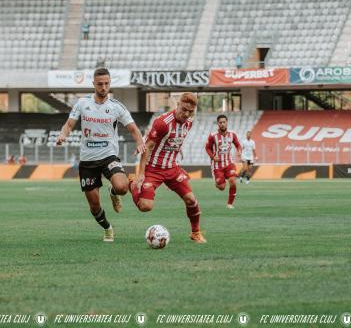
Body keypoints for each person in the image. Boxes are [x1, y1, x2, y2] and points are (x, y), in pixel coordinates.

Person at [56, 67, 146, 242]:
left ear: (110, 83)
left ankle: (113, 192)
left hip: (109, 156)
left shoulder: (116, 107)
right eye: (100, 84)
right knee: (94, 205)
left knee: (122, 187)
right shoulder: (82, 103)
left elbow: (134, 129)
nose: (103, 87)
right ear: (93, 85)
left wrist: (140, 143)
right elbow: (68, 124)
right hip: (88, 160)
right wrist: (62, 135)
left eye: (106, 83)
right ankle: (107, 228)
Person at [129, 92, 206, 243]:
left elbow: (176, 139)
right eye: (183, 109)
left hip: (172, 169)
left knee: (191, 199)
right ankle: (133, 186)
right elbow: (148, 147)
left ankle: (195, 233)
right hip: (153, 169)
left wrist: (178, 149)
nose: (186, 114)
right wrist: (141, 174)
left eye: (190, 111)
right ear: (177, 105)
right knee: (145, 206)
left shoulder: (189, 122)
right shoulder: (163, 123)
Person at [205, 115, 242, 209]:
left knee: (233, 181)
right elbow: (207, 148)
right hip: (217, 165)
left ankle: (230, 204)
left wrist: (239, 152)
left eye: (224, 122)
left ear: (227, 122)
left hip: (229, 162)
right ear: (218, 124)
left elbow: (238, 145)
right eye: (220, 122)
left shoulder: (232, 134)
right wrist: (213, 157)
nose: (222, 124)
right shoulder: (213, 136)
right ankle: (219, 181)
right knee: (221, 187)